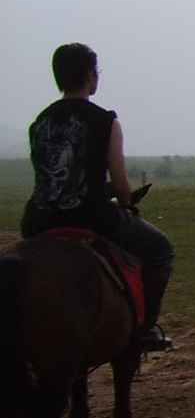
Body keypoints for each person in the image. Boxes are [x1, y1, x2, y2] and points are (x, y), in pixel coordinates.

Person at [20, 43, 174, 352]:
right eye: (96, 71)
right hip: (89, 217)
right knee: (160, 250)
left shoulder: (40, 123)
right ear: (90, 76)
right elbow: (119, 184)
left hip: (39, 219)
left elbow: (50, 177)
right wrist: (127, 202)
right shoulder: (106, 121)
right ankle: (143, 330)